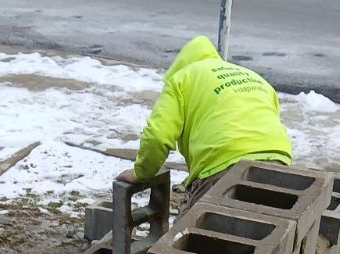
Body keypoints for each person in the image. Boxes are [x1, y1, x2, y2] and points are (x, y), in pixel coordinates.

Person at [120, 35, 293, 204]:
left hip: (224, 161)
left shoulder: (181, 79)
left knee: (189, 231)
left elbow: (157, 136)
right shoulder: (254, 77)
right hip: (279, 159)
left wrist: (141, 174)